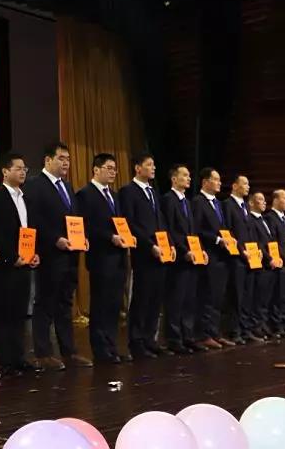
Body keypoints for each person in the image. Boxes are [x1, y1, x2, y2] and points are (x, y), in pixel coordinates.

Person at [26, 142, 92, 370]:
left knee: (65, 303)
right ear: (48, 160)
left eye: (68, 159)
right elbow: (34, 219)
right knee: (45, 303)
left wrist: (82, 237)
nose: (66, 163)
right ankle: (43, 353)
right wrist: (55, 239)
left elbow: (74, 219)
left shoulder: (67, 186)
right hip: (50, 254)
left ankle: (69, 351)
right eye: (61, 158)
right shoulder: (35, 185)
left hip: (71, 254)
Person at [0, 151, 42, 375]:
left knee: (20, 313)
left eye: (24, 169)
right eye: (18, 168)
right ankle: (6, 361)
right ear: (5, 171)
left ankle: (19, 357)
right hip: (5, 265)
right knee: (4, 314)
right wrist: (11, 257)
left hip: (26, 263)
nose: (23, 172)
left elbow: (30, 231)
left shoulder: (26, 199)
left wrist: (35, 253)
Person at [76, 153, 130, 363]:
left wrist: (126, 236)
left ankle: (112, 346)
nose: (113, 172)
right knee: (101, 304)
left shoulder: (115, 196)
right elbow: (86, 226)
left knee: (115, 305)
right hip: (101, 257)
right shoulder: (85, 194)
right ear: (96, 169)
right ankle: (100, 349)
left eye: (115, 169)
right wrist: (110, 237)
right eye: (109, 168)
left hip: (119, 257)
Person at [121, 153, 172, 359]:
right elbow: (130, 223)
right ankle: (137, 341)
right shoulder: (128, 191)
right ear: (137, 168)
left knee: (155, 298)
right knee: (141, 298)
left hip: (160, 252)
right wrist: (149, 245)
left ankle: (150, 339)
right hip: (143, 252)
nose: (153, 168)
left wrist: (168, 244)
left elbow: (161, 221)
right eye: (149, 164)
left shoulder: (153, 192)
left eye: (154, 164)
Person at [162, 164, 207, 354]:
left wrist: (200, 249)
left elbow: (193, 231)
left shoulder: (187, 202)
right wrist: (183, 251)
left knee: (189, 299)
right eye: (185, 175)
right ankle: (174, 338)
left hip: (192, 256)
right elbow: (170, 229)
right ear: (174, 179)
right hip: (179, 258)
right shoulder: (168, 199)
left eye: (189, 175)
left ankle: (188, 336)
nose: (189, 178)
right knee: (176, 299)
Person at [191, 168, 234, 349]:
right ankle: (203, 334)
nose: (219, 183)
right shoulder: (198, 202)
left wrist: (229, 239)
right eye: (215, 179)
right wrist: (217, 239)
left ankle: (215, 332)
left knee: (218, 297)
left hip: (222, 256)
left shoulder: (218, 203)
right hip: (209, 254)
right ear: (205, 182)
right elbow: (197, 229)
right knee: (207, 297)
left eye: (219, 179)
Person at [223, 175, 261, 344]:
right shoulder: (227, 204)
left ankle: (246, 330)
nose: (247, 186)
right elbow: (228, 231)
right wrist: (240, 250)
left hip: (251, 257)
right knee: (236, 296)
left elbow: (250, 231)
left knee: (248, 295)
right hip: (237, 257)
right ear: (234, 186)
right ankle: (235, 331)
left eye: (248, 183)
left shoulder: (245, 205)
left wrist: (256, 249)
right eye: (244, 183)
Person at [263, 190, 285, 336]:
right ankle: (277, 325)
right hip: (280, 262)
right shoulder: (270, 217)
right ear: (276, 200)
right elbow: (273, 242)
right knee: (278, 297)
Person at [247, 191, 279, 339]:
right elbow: (258, 243)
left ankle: (263, 323)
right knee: (258, 298)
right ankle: (256, 325)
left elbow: (270, 243)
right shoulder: (250, 219)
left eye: (265, 199)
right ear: (251, 203)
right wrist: (269, 258)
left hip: (270, 264)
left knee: (266, 298)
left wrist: (276, 257)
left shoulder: (264, 220)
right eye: (260, 199)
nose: (264, 202)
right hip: (262, 263)